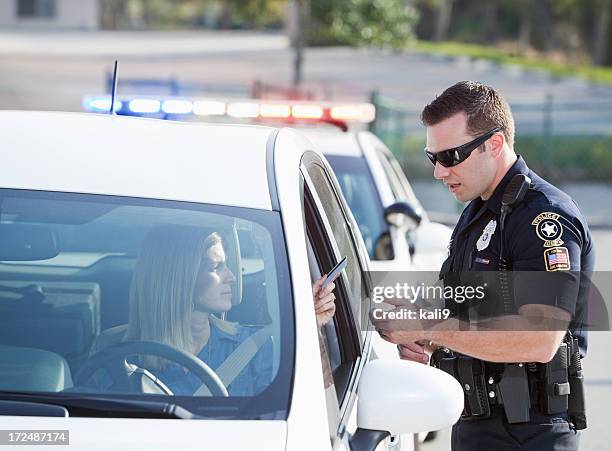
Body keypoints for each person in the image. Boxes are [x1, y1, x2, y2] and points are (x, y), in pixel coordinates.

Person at [372, 81, 594, 451]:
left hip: (528, 435)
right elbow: (476, 317)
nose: (439, 172)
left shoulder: (543, 216)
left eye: (450, 156)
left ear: (494, 144)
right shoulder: (478, 211)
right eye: (433, 158)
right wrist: (428, 340)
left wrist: (434, 328)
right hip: (477, 425)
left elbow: (540, 339)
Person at [126, 225, 337, 396]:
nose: (232, 277)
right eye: (216, 267)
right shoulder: (123, 360)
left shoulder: (255, 346)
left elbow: (317, 399)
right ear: (178, 280)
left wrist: (311, 328)